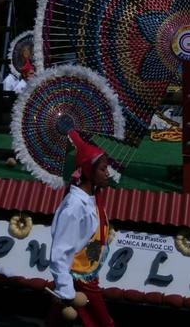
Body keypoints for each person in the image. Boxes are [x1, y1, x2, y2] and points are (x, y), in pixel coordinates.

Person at [47, 130, 115, 327]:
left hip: (85, 272)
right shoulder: (74, 207)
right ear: (88, 171)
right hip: (79, 276)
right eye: (103, 169)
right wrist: (66, 289)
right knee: (104, 323)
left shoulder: (91, 198)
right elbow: (61, 250)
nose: (107, 173)